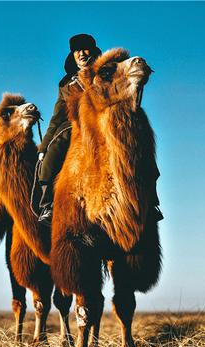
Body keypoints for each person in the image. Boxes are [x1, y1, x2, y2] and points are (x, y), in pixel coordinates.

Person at [37, 34, 163, 226]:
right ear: (72, 54)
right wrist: (43, 147)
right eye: (76, 50)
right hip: (76, 125)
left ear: (93, 50)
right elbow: (57, 118)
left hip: (107, 119)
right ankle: (47, 205)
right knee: (53, 152)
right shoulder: (66, 84)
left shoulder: (108, 69)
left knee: (140, 143)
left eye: (85, 49)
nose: (81, 53)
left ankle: (151, 202)